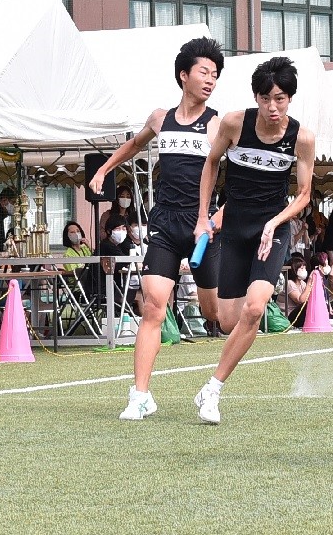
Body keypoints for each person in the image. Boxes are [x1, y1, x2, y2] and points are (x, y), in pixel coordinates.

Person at [88, 37, 225, 422]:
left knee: (216, 315)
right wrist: (103, 170)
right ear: (184, 75)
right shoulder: (160, 118)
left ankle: (212, 383)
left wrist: (216, 219)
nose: (210, 80)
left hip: (202, 228)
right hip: (165, 224)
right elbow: (133, 146)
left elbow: (241, 179)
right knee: (152, 306)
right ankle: (140, 395)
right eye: (204, 72)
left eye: (215, 75)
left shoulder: (216, 124)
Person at [192, 56, 317, 424]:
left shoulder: (302, 137)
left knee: (255, 308)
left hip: (272, 230)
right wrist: (204, 216)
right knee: (228, 320)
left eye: (280, 98)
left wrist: (275, 222)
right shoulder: (234, 123)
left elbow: (305, 194)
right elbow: (211, 164)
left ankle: (213, 389)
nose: (273, 107)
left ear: (289, 99)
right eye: (266, 98)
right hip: (235, 227)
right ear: (256, 97)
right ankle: (214, 379)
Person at [283, 253, 311, 329]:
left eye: (305, 268)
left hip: (297, 314)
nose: (304, 271)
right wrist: (309, 284)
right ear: (294, 270)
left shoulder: (302, 283)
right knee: (306, 305)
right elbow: (301, 300)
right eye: (301, 269)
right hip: (288, 315)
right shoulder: (289, 283)